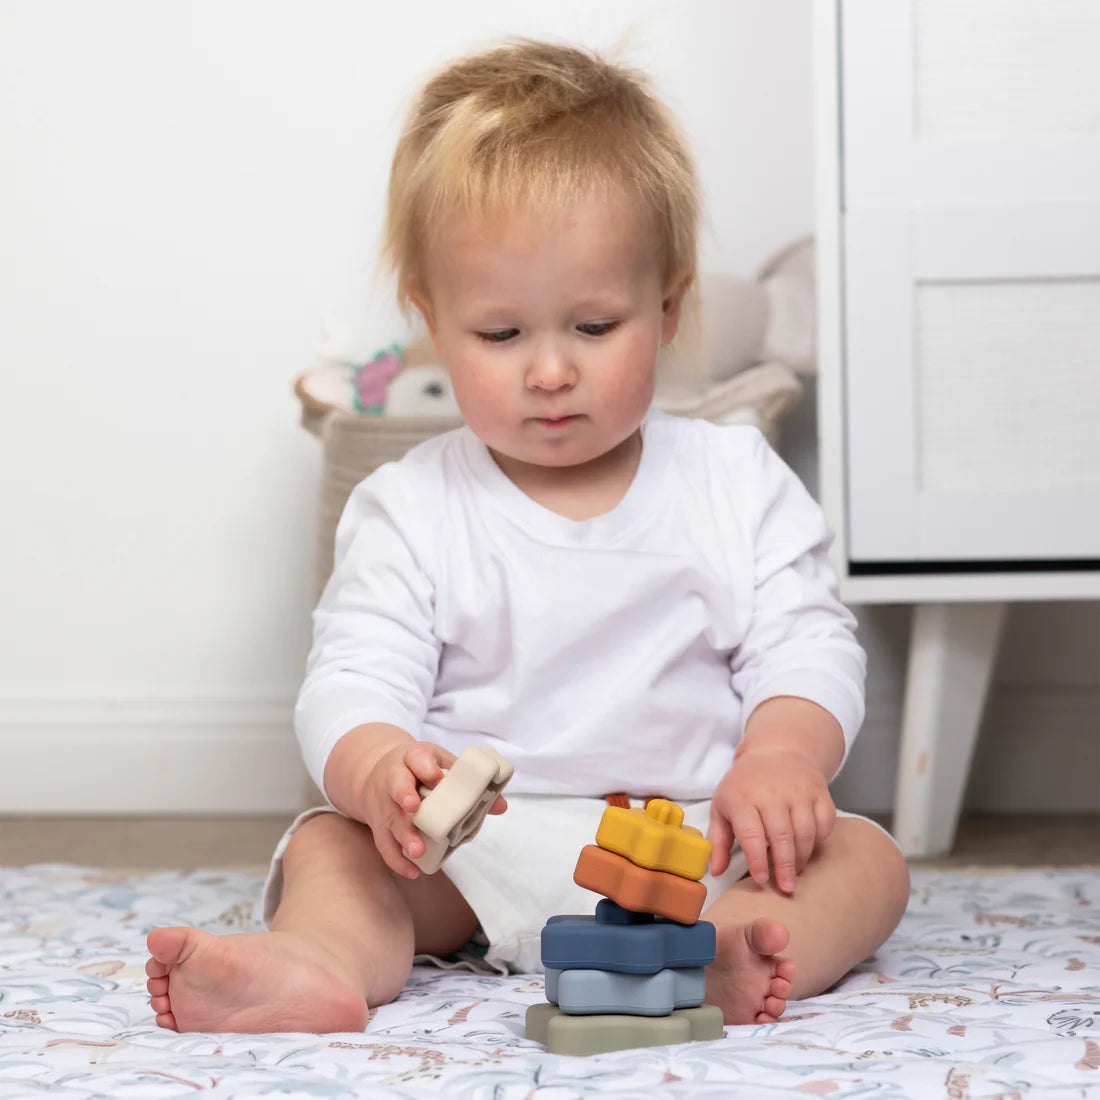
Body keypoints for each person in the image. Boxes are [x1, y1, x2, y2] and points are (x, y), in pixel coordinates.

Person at [145, 38, 910, 1035]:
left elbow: (806, 640)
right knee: (327, 849)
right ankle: (318, 960)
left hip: (691, 844)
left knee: (863, 860)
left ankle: (714, 954)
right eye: (500, 335)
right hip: (476, 853)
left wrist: (780, 756)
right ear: (433, 318)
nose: (548, 371)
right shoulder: (408, 504)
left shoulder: (731, 477)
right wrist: (378, 763)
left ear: (668, 306)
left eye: (592, 326)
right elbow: (349, 677)